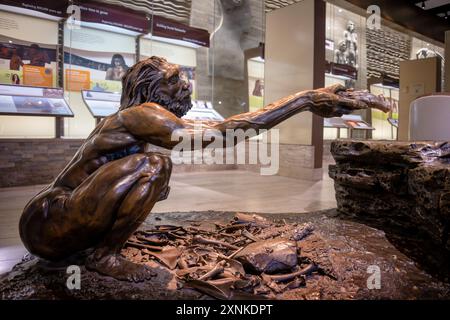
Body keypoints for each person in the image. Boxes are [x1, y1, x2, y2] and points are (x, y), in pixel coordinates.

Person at [19, 56, 390, 282]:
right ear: (151, 89)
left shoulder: (134, 119)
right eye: (174, 80)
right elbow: (217, 135)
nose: (185, 86)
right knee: (154, 166)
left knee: (153, 170)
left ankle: (100, 251)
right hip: (47, 221)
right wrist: (303, 100)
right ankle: (104, 257)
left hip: (51, 226)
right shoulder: (140, 114)